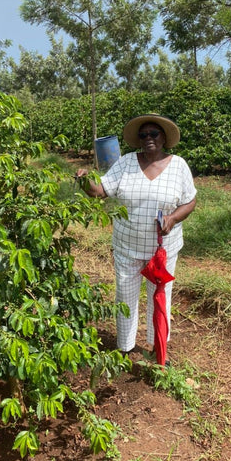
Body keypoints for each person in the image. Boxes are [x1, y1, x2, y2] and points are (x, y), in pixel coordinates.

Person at [76, 114, 196, 363]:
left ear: (164, 138)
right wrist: (85, 180)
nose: (149, 139)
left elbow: (190, 201)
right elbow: (100, 191)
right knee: (126, 296)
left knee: (160, 296)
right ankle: (126, 348)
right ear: (138, 140)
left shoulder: (178, 165)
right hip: (127, 247)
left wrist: (173, 218)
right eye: (143, 135)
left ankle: (156, 347)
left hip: (162, 251)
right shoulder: (126, 162)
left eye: (154, 134)